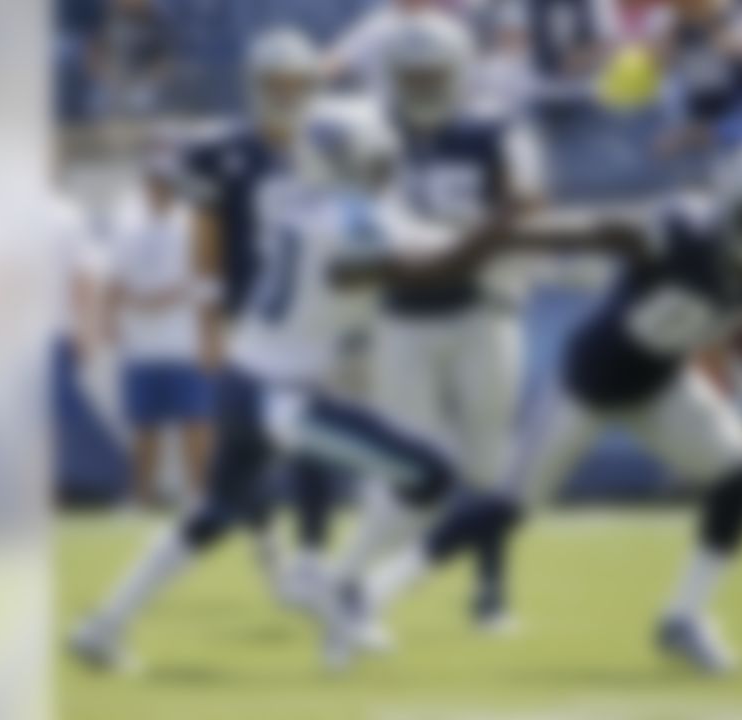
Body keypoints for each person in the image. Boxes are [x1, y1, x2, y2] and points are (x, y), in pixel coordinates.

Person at [339, 134, 742, 675]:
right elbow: (584, 231)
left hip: (661, 384)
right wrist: (493, 236)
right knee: (511, 505)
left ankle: (684, 616)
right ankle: (371, 593)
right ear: (732, 199)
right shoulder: (677, 229)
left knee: (740, 477)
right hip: (587, 382)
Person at [68, 94, 516, 671]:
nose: (386, 169)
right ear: (354, 160)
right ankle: (341, 590)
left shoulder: (305, 204)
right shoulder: (352, 217)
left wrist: (503, 235)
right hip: (286, 399)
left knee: (212, 516)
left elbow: (422, 237)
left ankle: (104, 626)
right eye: (377, 159)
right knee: (428, 476)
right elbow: (432, 264)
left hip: (243, 379)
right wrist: (504, 231)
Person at [330, 11, 547, 634]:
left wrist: (463, 250)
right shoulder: (371, 131)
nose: (422, 83)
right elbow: (351, 219)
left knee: (488, 463)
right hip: (402, 317)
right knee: (401, 466)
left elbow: (527, 204)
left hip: (483, 309)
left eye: (434, 72)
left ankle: (490, 595)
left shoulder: (494, 128)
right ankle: (354, 591)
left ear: (460, 72)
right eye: (411, 73)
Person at [179, 27, 333, 606]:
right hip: (251, 323)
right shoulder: (221, 152)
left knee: (316, 441)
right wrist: (207, 328)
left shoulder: (332, 144)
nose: (288, 93)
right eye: (277, 83)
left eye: (298, 83)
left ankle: (314, 560)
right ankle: (270, 549)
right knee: (246, 452)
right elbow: (205, 251)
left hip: (315, 320)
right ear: (255, 85)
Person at [106, 146, 211, 508]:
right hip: (141, 342)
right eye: (153, 180)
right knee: (143, 425)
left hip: (184, 341)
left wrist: (154, 300)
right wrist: (111, 317)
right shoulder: (127, 222)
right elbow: (114, 276)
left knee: (195, 421)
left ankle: (198, 495)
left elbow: (200, 278)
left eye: (166, 181)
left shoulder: (192, 222)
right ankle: (141, 496)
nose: (159, 187)